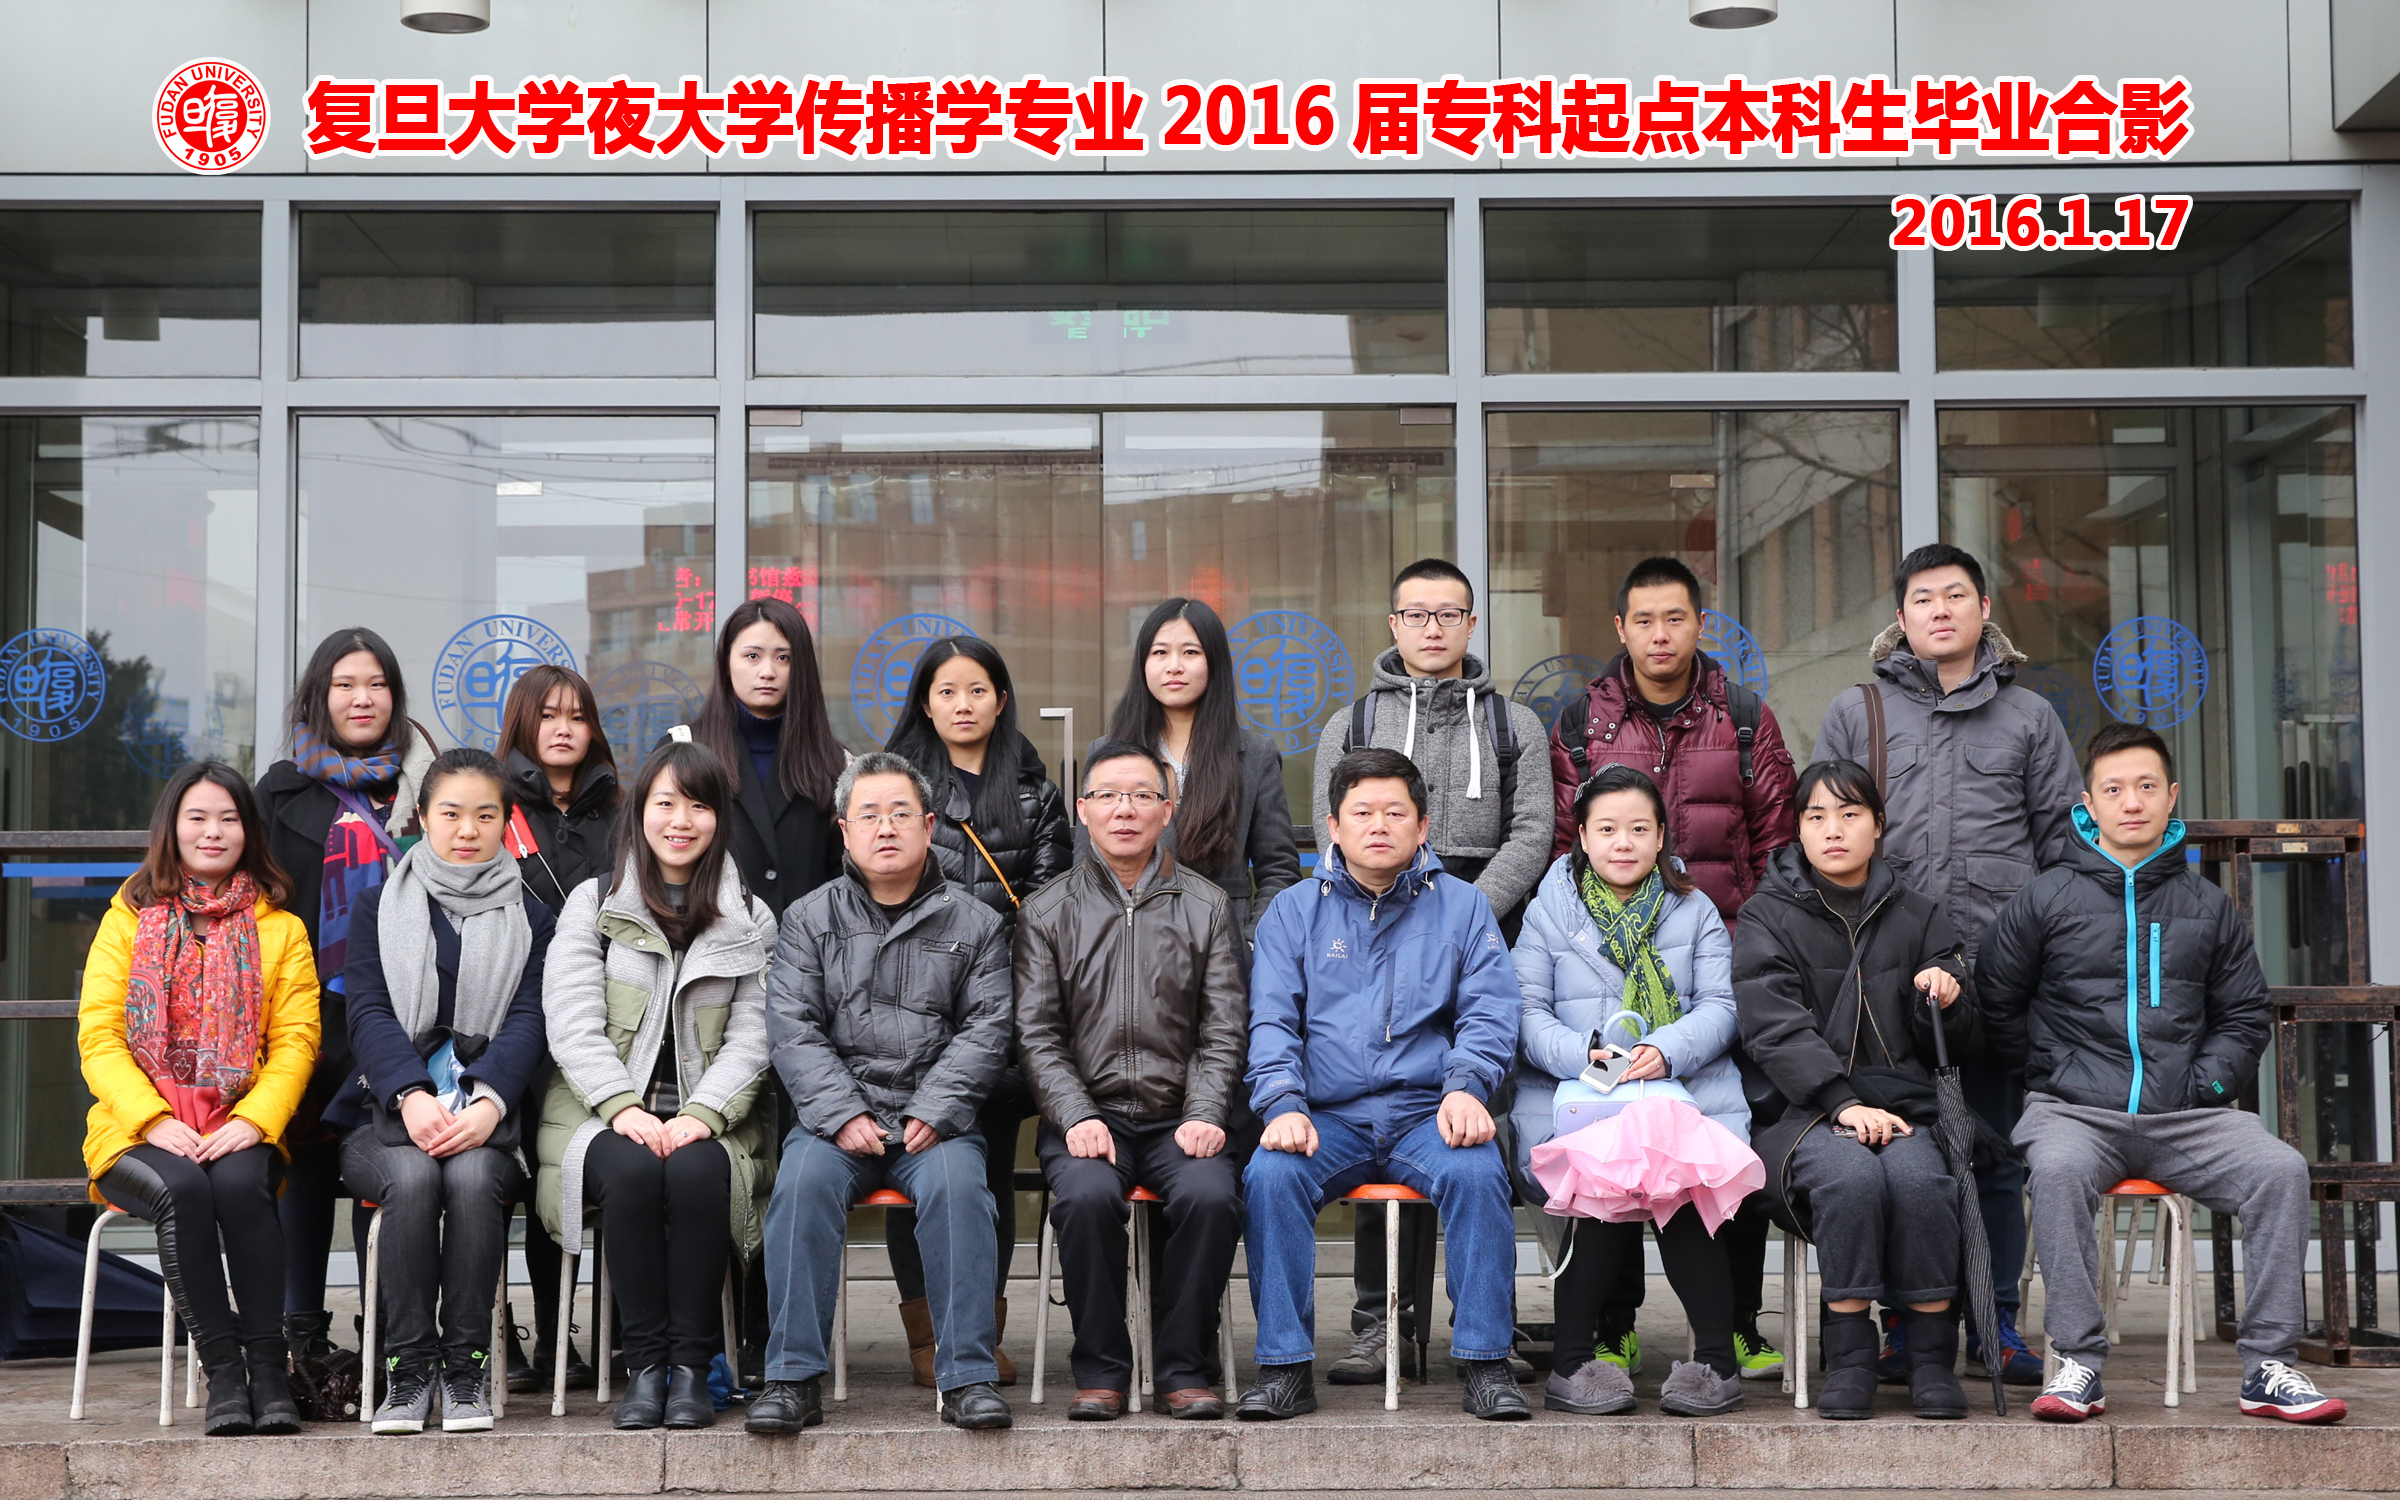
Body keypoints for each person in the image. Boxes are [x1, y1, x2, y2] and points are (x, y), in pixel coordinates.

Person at [1978, 723, 2347, 1425]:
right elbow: (1998, 1000)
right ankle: (2078, 1362)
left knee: (2281, 1171)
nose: (2132, 802)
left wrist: (2206, 1086)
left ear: (2171, 796)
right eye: (2114, 789)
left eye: (2147, 786)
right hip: (2075, 1112)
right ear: (2088, 803)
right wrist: (2051, 1071)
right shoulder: (2044, 899)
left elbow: (2244, 1014)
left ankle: (2269, 1367)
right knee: (2056, 1171)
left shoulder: (2207, 905)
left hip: (2189, 1114)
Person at [1813, 542, 2081, 1383]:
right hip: (1886, 978)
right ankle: (1905, 1322)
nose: (1940, 610)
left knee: (1992, 1155)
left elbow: (2063, 850)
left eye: (1955, 595)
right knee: (1904, 1159)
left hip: (2000, 977)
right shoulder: (1858, 712)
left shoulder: (2030, 718)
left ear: (1984, 608)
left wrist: (2042, 960)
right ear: (1901, 618)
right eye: (1923, 598)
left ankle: (1996, 1323)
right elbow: (1826, 834)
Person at [1546, 556, 1798, 1383]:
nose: (1661, 634)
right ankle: (1613, 1327)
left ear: (1699, 624)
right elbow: (1563, 845)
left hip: (1721, 952)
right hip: (1605, 960)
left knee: (1730, 1135)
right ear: (1621, 629)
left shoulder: (1745, 717)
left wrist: (1753, 944)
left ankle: (1737, 1325)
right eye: (1645, 620)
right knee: (1617, 1142)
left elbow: (1777, 842)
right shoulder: (1583, 722)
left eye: (1676, 618)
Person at [1310, 559, 1555, 1385]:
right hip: (1374, 925)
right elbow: (1333, 827)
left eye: (1448, 614)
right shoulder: (1353, 721)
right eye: (1416, 614)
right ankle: (1382, 1323)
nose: (1432, 628)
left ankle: (1488, 1323)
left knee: (1479, 1121)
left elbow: (1534, 830)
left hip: (1487, 925)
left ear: (1471, 625)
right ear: (1394, 625)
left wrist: (1462, 909)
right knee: (1383, 1104)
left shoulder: (1516, 723)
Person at [1235, 747, 1527, 1422]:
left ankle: (1485, 1362)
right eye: (1361, 812)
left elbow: (1490, 1012)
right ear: (1333, 826)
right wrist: (1281, 1103)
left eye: (1395, 812)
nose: (1378, 825)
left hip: (1428, 1112)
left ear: (1422, 826)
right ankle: (1284, 1368)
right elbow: (1271, 1021)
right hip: (1328, 1116)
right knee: (1270, 1177)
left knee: (1479, 1171)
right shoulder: (1292, 912)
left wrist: (1467, 1087)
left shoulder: (1463, 908)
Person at [748, 753, 1015, 1436]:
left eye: (900, 813)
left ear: (929, 825)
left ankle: (968, 1377)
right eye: (869, 815)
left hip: (935, 1124)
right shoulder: (809, 919)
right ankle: (791, 1378)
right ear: (844, 830)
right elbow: (793, 1029)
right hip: (836, 1124)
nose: (886, 828)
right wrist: (843, 1114)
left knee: (962, 1193)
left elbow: (989, 1028)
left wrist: (936, 1108)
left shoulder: (976, 922)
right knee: (799, 1190)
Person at [536, 741, 778, 1431]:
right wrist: (621, 1107)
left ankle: (692, 1369)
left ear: (719, 818)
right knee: (634, 1172)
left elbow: (755, 1036)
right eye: (665, 802)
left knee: (699, 1173)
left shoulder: (751, 917)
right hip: (598, 1111)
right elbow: (571, 1021)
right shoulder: (593, 903)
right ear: (640, 810)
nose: (681, 820)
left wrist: (703, 1113)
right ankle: (645, 1368)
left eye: (699, 805)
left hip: (714, 1115)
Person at [78, 762, 320, 1436]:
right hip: (136, 1130)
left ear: (249, 830)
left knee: (241, 1185)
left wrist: (256, 1120)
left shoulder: (281, 929)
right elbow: (99, 1036)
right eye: (198, 817)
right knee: (183, 1188)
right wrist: (152, 1119)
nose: (213, 831)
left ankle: (268, 1369)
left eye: (229, 818)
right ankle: (224, 1374)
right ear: (172, 828)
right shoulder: (127, 920)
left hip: (237, 1121)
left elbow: (297, 1041)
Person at [1734, 760, 1978, 1421]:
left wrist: (1947, 997)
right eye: (1816, 816)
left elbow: (1959, 1042)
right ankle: (1849, 1360)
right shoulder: (1766, 916)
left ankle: (1931, 1359)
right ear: (1798, 830)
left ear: (1878, 826)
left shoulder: (1920, 914)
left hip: (1903, 1108)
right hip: (1803, 1113)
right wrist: (1843, 1103)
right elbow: (1773, 1028)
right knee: (1852, 1180)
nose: (1833, 830)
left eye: (1849, 815)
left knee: (1922, 1181)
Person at [1014, 740, 1248, 1420]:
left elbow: (1223, 1027)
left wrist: (1206, 1111)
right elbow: (1037, 1033)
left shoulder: (1206, 905)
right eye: (1108, 796)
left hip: (1182, 1117)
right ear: (1082, 810)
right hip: (1088, 1118)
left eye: (1142, 796)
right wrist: (1075, 1114)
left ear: (1167, 810)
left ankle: (1183, 1366)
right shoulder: (1046, 911)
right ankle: (1102, 1370)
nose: (1125, 809)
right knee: (1085, 1200)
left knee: (1212, 1197)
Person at [1509, 765, 1748, 1419]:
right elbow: (1525, 1012)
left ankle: (1714, 1367)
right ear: (1582, 837)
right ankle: (1573, 1365)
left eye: (1639, 829)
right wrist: (1587, 1052)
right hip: (1576, 1090)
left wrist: (1664, 1050)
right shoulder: (1549, 912)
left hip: (1682, 1086)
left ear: (1661, 836)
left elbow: (1721, 1007)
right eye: (1608, 829)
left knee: (1674, 1169)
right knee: (1608, 1168)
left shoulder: (1693, 909)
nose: (1623, 843)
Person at [337, 748, 554, 1435]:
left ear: (505, 822)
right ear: (423, 817)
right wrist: (410, 1094)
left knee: (470, 1179)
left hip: (490, 1119)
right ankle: (407, 1370)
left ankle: (466, 1366)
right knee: (409, 1177)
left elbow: (530, 1018)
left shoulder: (534, 918)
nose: (467, 829)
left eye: (485, 815)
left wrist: (490, 1100)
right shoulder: (380, 906)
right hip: (387, 1114)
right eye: (451, 813)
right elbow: (367, 1012)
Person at [881, 634, 1072, 1387]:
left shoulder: (1034, 792)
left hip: (1000, 1018)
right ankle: (925, 1335)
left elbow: (1049, 914)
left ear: (1001, 700)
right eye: (947, 692)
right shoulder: (894, 786)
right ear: (925, 704)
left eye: (977, 690)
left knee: (988, 1173)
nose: (963, 705)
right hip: (907, 1017)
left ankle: (978, 1330)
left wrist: (996, 1001)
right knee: (913, 1165)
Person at [254, 627, 436, 1368]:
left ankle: (383, 1335)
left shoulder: (429, 791)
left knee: (380, 1158)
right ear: (318, 697)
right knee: (302, 1163)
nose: (362, 699)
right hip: (302, 1009)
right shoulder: (278, 791)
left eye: (377, 684)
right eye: (345, 685)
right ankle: (299, 1333)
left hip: (400, 1009)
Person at [493, 663, 620, 1394]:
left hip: (607, 1025)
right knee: (536, 1181)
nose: (564, 729)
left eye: (577, 715)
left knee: (594, 1173)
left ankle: (617, 1335)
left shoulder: (621, 811)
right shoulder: (497, 810)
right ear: (523, 724)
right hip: (516, 1022)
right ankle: (542, 1338)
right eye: (548, 716)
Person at [1099, 598, 1301, 945]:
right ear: (1143, 663)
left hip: (1222, 944)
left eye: (1190, 652)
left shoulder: (1254, 754)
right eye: (1160, 653)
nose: (1174, 666)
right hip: (1127, 946)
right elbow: (1087, 868)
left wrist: (1251, 944)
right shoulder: (1107, 753)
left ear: (1214, 662)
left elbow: (1278, 870)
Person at [674, 596, 846, 920]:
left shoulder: (836, 763)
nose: (767, 672)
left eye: (783, 658)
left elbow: (847, 876)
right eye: (752, 656)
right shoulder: (681, 750)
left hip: (810, 945)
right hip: (708, 941)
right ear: (726, 663)